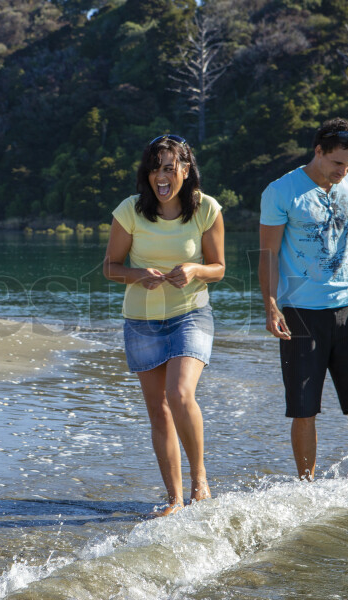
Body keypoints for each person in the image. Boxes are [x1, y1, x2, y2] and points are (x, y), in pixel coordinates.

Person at [258, 117, 348, 483]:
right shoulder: (281, 191)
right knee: (304, 410)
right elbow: (268, 254)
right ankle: (306, 489)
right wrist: (271, 304)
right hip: (301, 314)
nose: (344, 171)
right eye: (338, 163)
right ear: (318, 151)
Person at [103, 135, 225, 516]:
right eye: (154, 168)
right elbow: (110, 267)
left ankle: (199, 481)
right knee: (158, 410)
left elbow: (218, 269)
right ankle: (174, 498)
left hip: (191, 313)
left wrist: (193, 269)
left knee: (179, 394)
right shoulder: (129, 211)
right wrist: (138, 275)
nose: (161, 176)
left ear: (185, 171)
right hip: (141, 321)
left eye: (169, 168)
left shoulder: (206, 209)